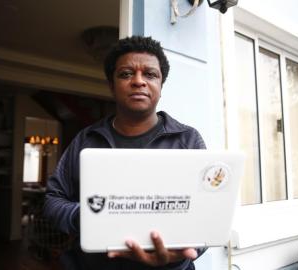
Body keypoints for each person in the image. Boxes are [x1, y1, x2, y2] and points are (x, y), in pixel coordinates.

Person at [44, 36, 207, 270]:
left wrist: (179, 257)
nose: (139, 81)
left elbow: (206, 215)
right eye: (126, 74)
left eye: (150, 74)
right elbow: (52, 200)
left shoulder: (187, 139)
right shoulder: (85, 140)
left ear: (161, 85)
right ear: (112, 86)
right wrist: (88, 218)